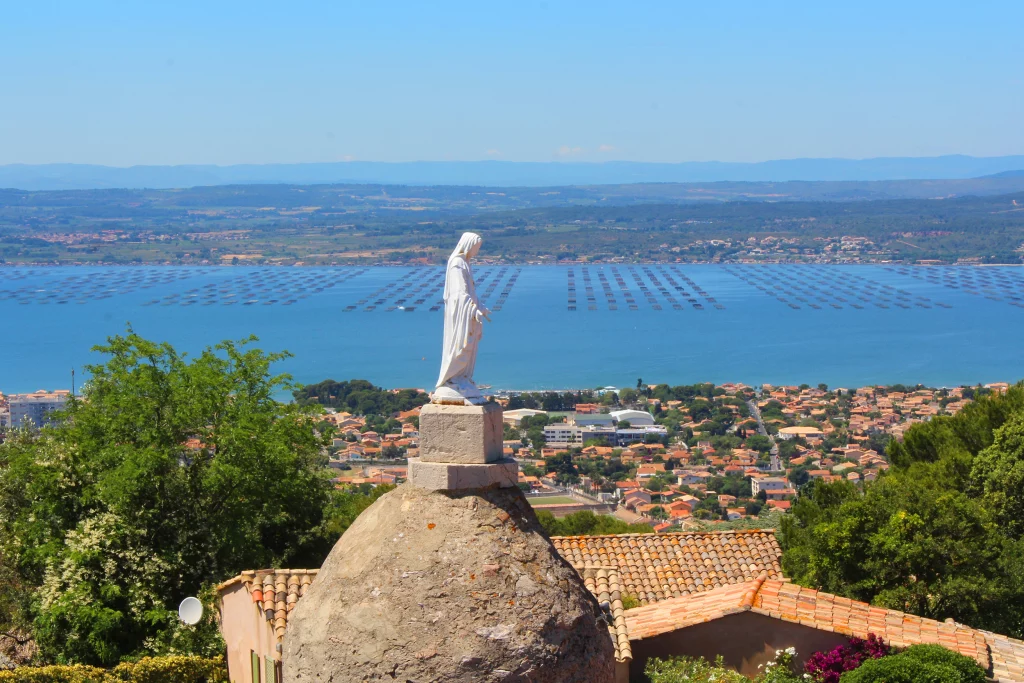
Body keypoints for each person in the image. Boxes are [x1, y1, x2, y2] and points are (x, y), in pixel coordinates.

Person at [434, 232, 490, 403]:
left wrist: (480, 307)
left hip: (468, 313)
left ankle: (463, 377)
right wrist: (473, 309)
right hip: (460, 314)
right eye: (475, 248)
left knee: (470, 345)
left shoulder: (465, 263)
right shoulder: (457, 263)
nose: (476, 252)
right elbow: (460, 294)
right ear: (467, 245)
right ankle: (452, 379)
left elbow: (470, 293)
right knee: (461, 344)